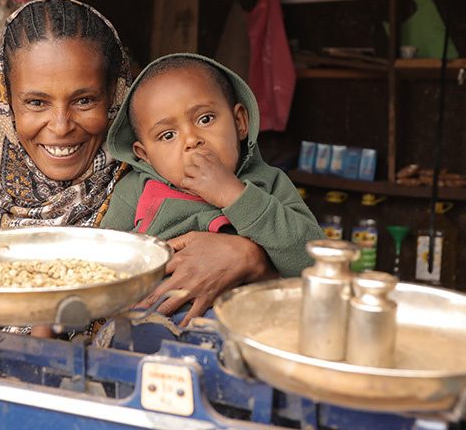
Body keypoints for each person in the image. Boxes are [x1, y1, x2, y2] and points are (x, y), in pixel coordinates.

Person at [0, 0, 277, 328]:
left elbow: (290, 286)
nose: (60, 125)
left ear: (114, 96)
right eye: (36, 102)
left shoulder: (160, 178)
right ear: (6, 105)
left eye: (84, 100)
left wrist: (251, 258)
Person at [100, 53, 325, 279]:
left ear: (240, 123)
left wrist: (234, 195)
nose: (191, 140)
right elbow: (102, 264)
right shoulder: (135, 190)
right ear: (145, 155)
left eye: (205, 119)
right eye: (168, 135)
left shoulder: (269, 183)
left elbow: (315, 264)